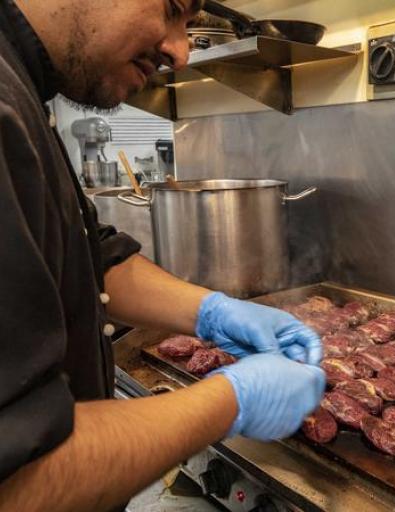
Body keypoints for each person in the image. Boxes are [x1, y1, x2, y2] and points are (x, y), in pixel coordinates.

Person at [0, 1, 326, 511]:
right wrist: (229, 400)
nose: (180, 51)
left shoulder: (20, 83)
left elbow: (91, 254)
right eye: (173, 9)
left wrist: (210, 311)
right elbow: (22, 476)